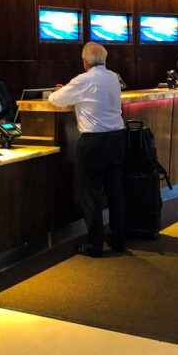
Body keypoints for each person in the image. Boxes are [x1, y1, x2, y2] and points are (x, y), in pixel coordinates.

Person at [49, 42, 126, 258]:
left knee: (91, 194)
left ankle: (94, 244)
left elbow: (56, 100)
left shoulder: (83, 80)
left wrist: (61, 90)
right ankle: (119, 240)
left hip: (94, 143)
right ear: (104, 60)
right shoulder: (113, 77)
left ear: (84, 62)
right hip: (117, 139)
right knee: (115, 192)